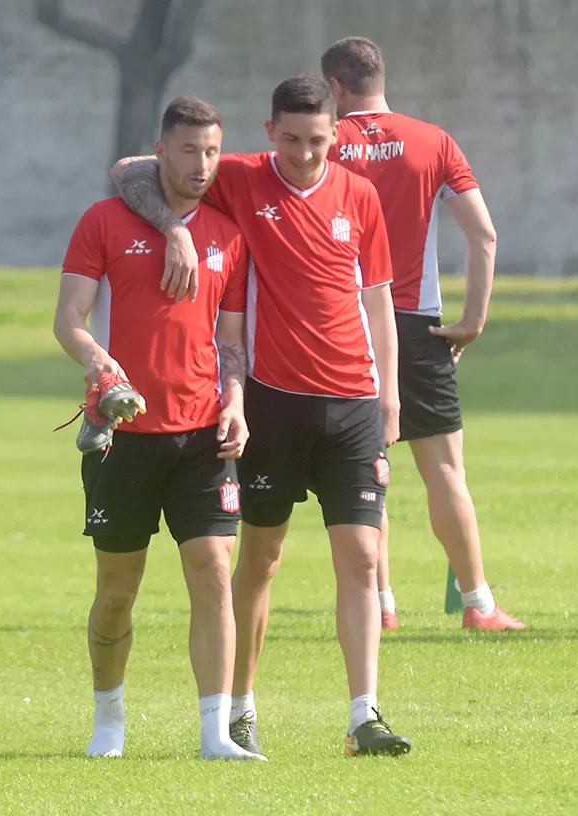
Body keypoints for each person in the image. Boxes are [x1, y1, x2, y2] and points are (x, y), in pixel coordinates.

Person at [112, 75, 412, 757]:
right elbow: (130, 170)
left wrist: (390, 395)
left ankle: (364, 715)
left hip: (354, 402)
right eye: (294, 139)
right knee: (263, 557)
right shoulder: (240, 179)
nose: (307, 154)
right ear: (270, 131)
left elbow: (377, 302)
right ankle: (241, 707)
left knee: (363, 557)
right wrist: (171, 230)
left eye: (319, 140)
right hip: (273, 404)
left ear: (337, 134)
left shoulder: (359, 196)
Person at [54, 97, 260, 761]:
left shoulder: (230, 234)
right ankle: (109, 721)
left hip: (203, 435)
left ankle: (214, 734)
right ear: (160, 151)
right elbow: (69, 318)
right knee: (117, 591)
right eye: (188, 150)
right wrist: (98, 361)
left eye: (211, 151)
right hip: (124, 435)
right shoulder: (104, 221)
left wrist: (235, 399)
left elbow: (230, 337)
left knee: (213, 573)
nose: (201, 164)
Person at [322, 36, 523, 631]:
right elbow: (483, 236)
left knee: (366, 466)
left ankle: (381, 603)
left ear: (334, 87)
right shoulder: (434, 141)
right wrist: (472, 322)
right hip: (417, 321)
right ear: (380, 76)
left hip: (345, 323)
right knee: (443, 470)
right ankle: (478, 604)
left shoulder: (324, 146)